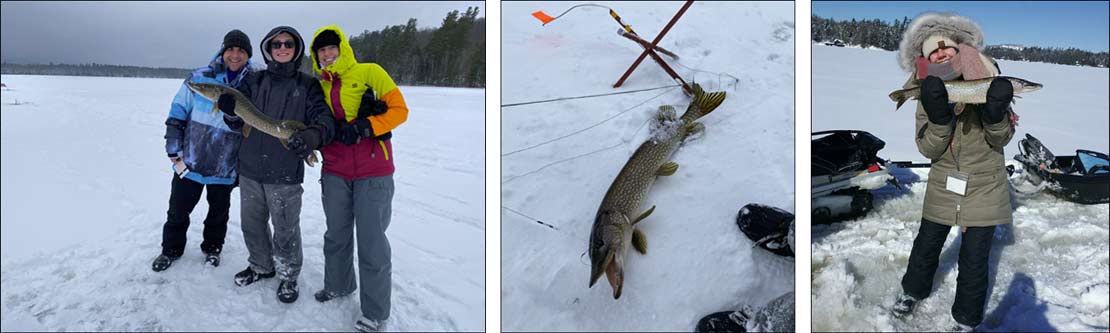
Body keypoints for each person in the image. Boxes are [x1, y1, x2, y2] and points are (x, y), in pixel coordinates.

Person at [890, 12, 1016, 332]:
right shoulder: (926, 90)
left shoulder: (988, 78)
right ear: (927, 59)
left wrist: (995, 114)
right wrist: (939, 119)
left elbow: (1000, 138)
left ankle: (966, 320)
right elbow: (929, 150)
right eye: (934, 52)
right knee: (926, 245)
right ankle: (912, 292)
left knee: (974, 260)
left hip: (986, 185)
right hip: (944, 182)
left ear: (960, 49)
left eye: (946, 49)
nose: (942, 54)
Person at [220, 26, 335, 304]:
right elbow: (238, 121)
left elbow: (325, 122)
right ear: (268, 49)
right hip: (249, 169)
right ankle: (261, 265)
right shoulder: (254, 81)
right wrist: (230, 113)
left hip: (284, 172)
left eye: (288, 44)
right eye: (276, 44)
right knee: (252, 224)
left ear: (296, 50)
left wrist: (311, 136)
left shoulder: (308, 85)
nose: (282, 48)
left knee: (285, 229)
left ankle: (287, 274)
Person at [307, 25, 409, 332]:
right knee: (336, 234)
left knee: (372, 242)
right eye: (321, 50)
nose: (327, 54)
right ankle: (338, 285)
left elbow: (400, 111)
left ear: (343, 48)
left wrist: (367, 125)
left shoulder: (370, 72)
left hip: (373, 171)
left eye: (331, 47)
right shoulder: (318, 86)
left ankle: (375, 312)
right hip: (335, 170)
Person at [154, 29, 254, 272]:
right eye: (231, 48)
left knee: (218, 215)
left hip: (225, 165)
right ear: (223, 50)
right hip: (191, 162)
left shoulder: (253, 82)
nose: (235, 54)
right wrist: (173, 150)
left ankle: (212, 248)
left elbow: (252, 125)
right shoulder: (199, 78)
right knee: (178, 210)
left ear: (247, 55)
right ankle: (171, 250)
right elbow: (177, 114)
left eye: (241, 50)